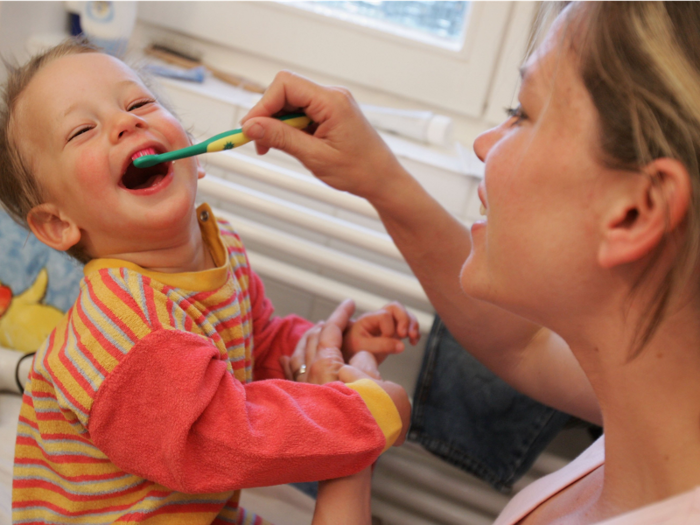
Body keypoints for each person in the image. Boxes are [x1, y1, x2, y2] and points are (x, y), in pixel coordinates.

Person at [241, 0, 700, 522]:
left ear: (636, 212)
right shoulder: (667, 396)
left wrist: (345, 432)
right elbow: (523, 343)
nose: (484, 145)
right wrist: (377, 176)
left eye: (522, 114)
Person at [0, 39, 420, 525]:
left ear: (194, 156)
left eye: (139, 103)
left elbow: (256, 342)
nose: (126, 122)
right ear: (58, 224)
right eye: (82, 131)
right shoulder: (123, 334)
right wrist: (363, 415)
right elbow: (224, 438)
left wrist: (327, 342)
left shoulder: (219, 243)